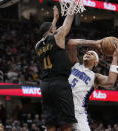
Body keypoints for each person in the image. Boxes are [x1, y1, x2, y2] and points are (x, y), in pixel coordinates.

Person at [35, 3, 77, 131]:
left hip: (45, 85)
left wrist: (54, 19)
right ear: (53, 30)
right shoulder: (57, 37)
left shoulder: (37, 46)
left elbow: (48, 34)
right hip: (59, 83)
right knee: (66, 123)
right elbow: (69, 19)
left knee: (50, 123)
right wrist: (73, 4)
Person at [67, 38, 118, 131]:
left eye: (92, 54)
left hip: (78, 112)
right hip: (62, 105)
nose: (88, 53)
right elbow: (70, 43)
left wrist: (115, 57)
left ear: (96, 62)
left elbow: (111, 81)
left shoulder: (95, 77)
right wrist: (95, 43)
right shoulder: (75, 64)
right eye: (87, 53)